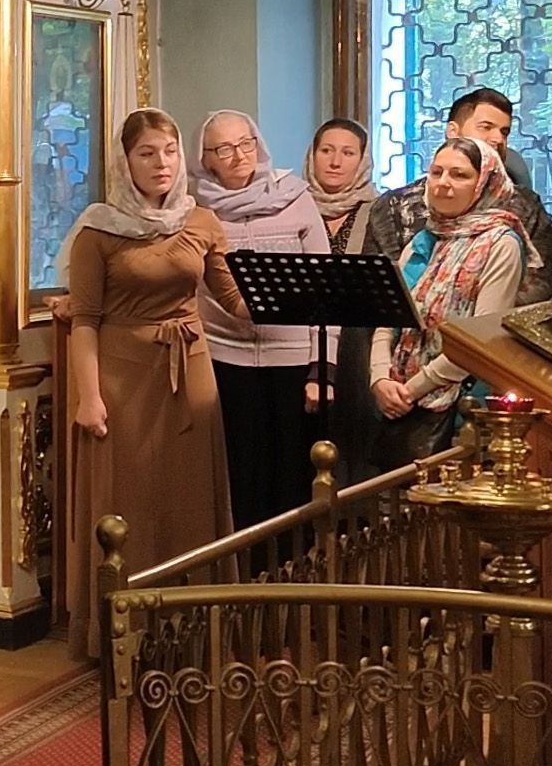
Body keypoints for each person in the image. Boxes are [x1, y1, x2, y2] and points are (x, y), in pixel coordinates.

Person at [52, 108, 247, 658]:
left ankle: (194, 632)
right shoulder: (98, 229)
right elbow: (85, 320)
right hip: (121, 379)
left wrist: (300, 302)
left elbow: (233, 299)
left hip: (191, 372)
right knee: (129, 502)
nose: (161, 163)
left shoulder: (201, 220)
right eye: (147, 153)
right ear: (125, 161)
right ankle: (127, 637)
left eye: (169, 151)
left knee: (191, 502)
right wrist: (89, 397)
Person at [189, 110, 336, 534]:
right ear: (205, 158)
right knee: (240, 475)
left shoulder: (295, 196)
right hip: (224, 358)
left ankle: (294, 567)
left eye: (246, 143)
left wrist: (322, 369)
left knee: (293, 476)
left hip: (293, 360)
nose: (239, 155)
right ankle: (243, 568)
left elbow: (325, 290)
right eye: (224, 149)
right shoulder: (193, 209)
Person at [369, 138, 534, 468]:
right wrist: (379, 379)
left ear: (484, 183)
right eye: (436, 172)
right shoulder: (424, 239)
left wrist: (411, 390)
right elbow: (388, 316)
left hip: (458, 408)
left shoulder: (500, 243)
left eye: (459, 175)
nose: (443, 183)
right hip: (399, 401)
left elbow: (480, 340)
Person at [367, 87, 552, 305]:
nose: (498, 139)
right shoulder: (396, 206)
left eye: (504, 132)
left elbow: (536, 289)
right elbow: (378, 289)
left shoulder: (524, 208)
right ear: (453, 132)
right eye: (486, 127)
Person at [303, 118, 383, 484]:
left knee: (354, 447)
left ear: (363, 160)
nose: (335, 162)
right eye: (326, 151)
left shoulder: (381, 211)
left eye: (348, 153)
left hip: (358, 344)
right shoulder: (292, 206)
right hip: (304, 341)